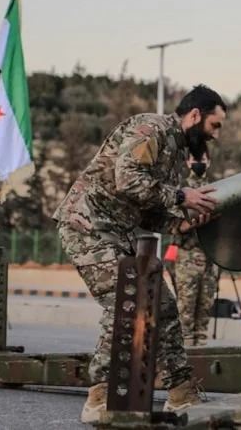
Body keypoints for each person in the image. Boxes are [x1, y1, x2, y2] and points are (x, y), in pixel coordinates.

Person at [54, 85, 226, 423]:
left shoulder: (174, 153)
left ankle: (181, 392)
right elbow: (128, 181)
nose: (216, 135)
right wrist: (181, 197)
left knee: (163, 303)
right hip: (88, 225)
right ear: (195, 115)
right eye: (214, 125)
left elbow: (148, 211)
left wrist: (182, 222)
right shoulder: (151, 129)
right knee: (125, 301)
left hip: (118, 231)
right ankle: (100, 396)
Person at [174, 149, 218, 347]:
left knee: (205, 309)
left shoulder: (216, 188)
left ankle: (200, 351)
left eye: (202, 159)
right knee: (186, 308)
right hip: (188, 255)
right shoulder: (182, 191)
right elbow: (173, 224)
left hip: (210, 257)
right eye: (195, 159)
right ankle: (186, 353)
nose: (199, 162)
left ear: (208, 162)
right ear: (188, 162)